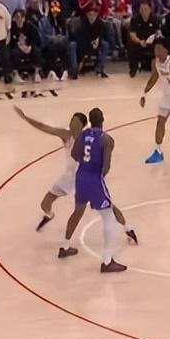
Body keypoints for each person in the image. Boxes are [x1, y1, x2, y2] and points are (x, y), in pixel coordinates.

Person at [14, 107, 138, 242]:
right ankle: (49, 216)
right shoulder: (66, 135)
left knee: (105, 207)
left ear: (82, 124)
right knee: (45, 204)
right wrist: (26, 118)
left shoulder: (87, 137)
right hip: (69, 176)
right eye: (71, 120)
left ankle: (127, 229)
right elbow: (44, 127)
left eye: (75, 121)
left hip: (85, 176)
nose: (72, 123)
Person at [59, 108, 129, 273]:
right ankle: (107, 261)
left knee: (78, 211)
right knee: (109, 217)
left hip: (80, 177)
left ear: (90, 121)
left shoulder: (83, 134)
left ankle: (65, 246)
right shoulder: (107, 139)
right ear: (103, 120)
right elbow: (106, 167)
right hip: (94, 179)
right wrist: (97, 181)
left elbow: (75, 154)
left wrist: (86, 162)